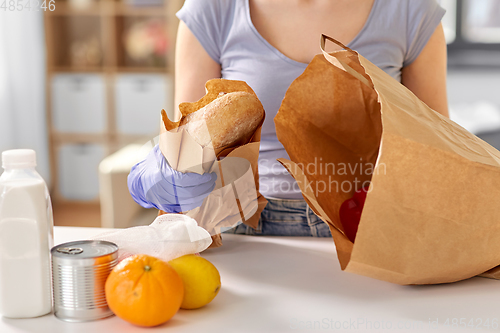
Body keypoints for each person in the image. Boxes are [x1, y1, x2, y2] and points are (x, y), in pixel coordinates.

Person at [128, 0, 448, 237]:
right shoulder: (213, 10)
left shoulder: (411, 12)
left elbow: (438, 153)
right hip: (241, 227)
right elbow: (192, 142)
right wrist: (168, 174)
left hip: (372, 229)